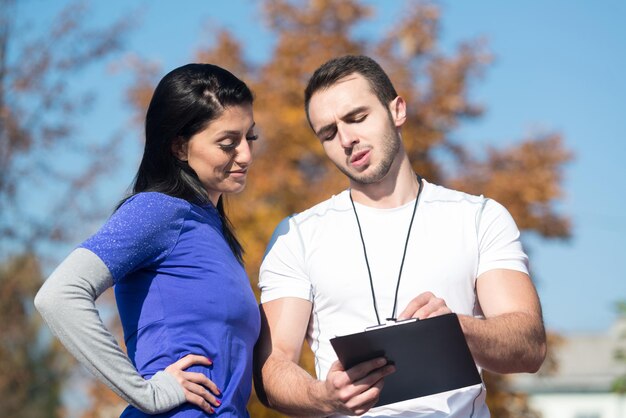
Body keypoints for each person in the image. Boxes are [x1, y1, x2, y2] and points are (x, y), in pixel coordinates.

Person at [254, 55, 547, 417]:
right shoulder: (295, 235)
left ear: (397, 111)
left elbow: (529, 346)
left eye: (357, 117)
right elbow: (272, 365)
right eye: (328, 133)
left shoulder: (478, 217)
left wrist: (454, 329)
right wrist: (322, 396)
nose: (346, 139)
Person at [35, 63, 261, 417]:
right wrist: (146, 393)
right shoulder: (159, 210)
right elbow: (59, 295)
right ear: (180, 147)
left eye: (250, 137)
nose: (245, 154)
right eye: (228, 143)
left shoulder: (214, 232)